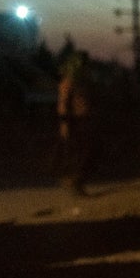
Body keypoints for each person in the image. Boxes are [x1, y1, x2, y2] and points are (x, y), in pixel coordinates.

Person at [55, 51, 99, 195]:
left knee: (88, 152)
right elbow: (63, 104)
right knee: (80, 154)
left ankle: (75, 182)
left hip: (85, 120)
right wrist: (65, 125)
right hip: (75, 122)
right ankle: (75, 183)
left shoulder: (83, 80)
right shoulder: (68, 81)